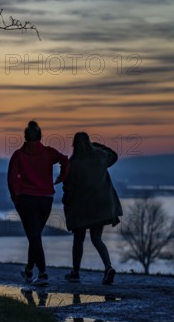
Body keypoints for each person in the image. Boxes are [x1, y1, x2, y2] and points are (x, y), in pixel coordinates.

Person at [8, 121, 69, 286]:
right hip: (46, 199)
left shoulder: (18, 155)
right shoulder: (48, 153)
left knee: (34, 236)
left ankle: (42, 274)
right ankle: (29, 270)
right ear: (41, 136)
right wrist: (61, 178)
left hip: (26, 199)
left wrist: (15, 197)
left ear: (25, 137)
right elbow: (65, 160)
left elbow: (12, 178)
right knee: (35, 236)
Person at [62, 132, 123, 285]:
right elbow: (114, 156)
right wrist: (97, 146)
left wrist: (66, 201)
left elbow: (69, 187)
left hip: (81, 207)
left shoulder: (74, 163)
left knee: (79, 239)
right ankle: (108, 267)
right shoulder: (100, 156)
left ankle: (75, 272)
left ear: (74, 145)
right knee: (97, 238)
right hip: (101, 206)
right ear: (89, 142)